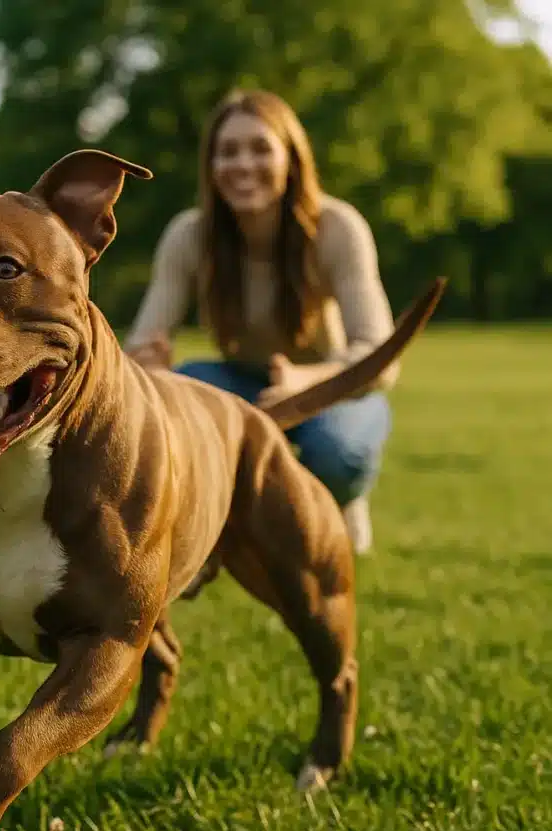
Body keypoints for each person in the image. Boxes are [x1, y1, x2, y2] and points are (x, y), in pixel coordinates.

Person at [125, 88, 399, 556]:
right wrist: (147, 366)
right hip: (239, 384)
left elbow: (381, 359)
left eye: (260, 148)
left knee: (337, 455)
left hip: (331, 386)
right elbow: (142, 345)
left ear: (291, 159)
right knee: (167, 408)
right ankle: (216, 533)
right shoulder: (190, 236)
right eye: (228, 151)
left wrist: (303, 381)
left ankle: (341, 499)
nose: (243, 164)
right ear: (211, 166)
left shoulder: (337, 228)